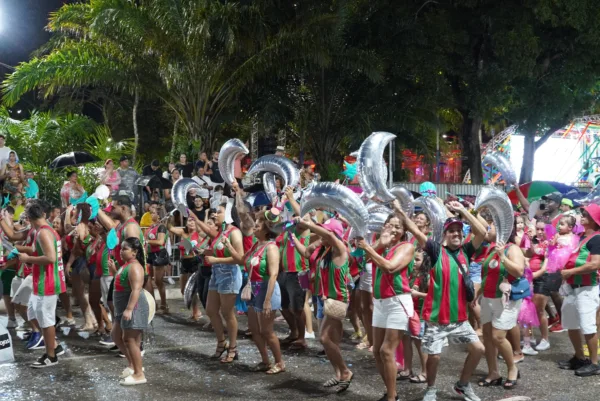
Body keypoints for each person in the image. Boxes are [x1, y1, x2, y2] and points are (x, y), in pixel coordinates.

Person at [399, 201, 486, 401]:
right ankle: (431, 389)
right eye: (452, 231)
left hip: (459, 318)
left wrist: (465, 211)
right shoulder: (436, 250)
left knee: (478, 349)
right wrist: (400, 211)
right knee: (434, 356)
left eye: (459, 231)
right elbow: (416, 231)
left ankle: (462, 385)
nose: (456, 234)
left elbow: (481, 232)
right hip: (436, 318)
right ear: (445, 234)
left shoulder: (466, 252)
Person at [357, 201, 415, 401]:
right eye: (390, 225)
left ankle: (392, 398)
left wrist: (369, 248)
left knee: (386, 350)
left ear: (404, 231)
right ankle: (391, 391)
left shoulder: (406, 246)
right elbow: (362, 260)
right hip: (380, 302)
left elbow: (390, 268)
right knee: (377, 352)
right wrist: (377, 245)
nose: (393, 230)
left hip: (397, 302)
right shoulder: (380, 247)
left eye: (398, 227)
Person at [227, 209, 285, 374]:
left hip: (267, 290)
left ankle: (280, 362)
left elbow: (273, 274)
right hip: (253, 290)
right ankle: (265, 361)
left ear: (266, 229)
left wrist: (267, 300)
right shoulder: (256, 245)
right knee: (254, 329)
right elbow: (241, 260)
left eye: (258, 225)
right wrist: (228, 245)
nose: (254, 227)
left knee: (267, 331)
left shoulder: (271, 248)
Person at [19, 201, 66, 368]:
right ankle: (54, 345)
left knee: (46, 320)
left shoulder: (44, 233)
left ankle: (51, 356)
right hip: (42, 281)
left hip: (48, 282)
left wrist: (28, 259)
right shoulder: (44, 231)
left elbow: (51, 258)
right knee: (33, 313)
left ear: (30, 218)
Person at [477, 224, 526, 389]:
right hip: (488, 297)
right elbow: (487, 274)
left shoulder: (512, 249)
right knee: (488, 337)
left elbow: (519, 271)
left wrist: (502, 257)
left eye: (491, 227)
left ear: (503, 230)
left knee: (498, 336)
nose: (488, 230)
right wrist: (477, 295)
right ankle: (493, 372)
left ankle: (512, 367)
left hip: (506, 300)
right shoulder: (491, 248)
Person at [559, 204, 600, 376]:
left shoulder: (597, 239)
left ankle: (594, 363)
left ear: (594, 219)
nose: (581, 215)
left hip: (587, 288)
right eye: (582, 213)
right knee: (570, 323)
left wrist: (571, 271)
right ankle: (579, 357)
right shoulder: (581, 236)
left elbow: (596, 264)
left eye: (585, 214)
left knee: (587, 326)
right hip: (572, 287)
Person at [200, 202, 243, 363]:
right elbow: (218, 249)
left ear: (229, 215)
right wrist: (206, 252)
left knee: (227, 313)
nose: (214, 214)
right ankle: (221, 342)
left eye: (219, 212)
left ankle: (233, 347)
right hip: (216, 273)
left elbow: (240, 257)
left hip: (229, 274)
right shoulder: (220, 232)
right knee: (211, 310)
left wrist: (215, 258)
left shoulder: (234, 232)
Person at [112, 237, 149, 385]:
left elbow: (136, 290)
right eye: (121, 248)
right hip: (122, 309)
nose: (121, 252)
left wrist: (129, 309)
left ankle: (139, 374)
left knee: (131, 340)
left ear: (134, 252)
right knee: (116, 335)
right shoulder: (126, 265)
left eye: (125, 249)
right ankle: (133, 366)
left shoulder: (135, 267)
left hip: (134, 308)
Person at [277, 186, 309, 350]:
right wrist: (280, 204)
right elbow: (272, 222)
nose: (294, 217)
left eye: (295, 215)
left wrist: (290, 198)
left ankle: (302, 338)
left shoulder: (302, 229)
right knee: (283, 306)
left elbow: (305, 216)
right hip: (284, 273)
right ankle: (294, 332)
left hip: (298, 272)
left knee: (297, 308)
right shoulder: (286, 230)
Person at [168, 215, 202, 321]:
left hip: (194, 261)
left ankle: (196, 311)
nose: (191, 223)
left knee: (193, 289)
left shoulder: (199, 234)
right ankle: (195, 310)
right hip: (184, 261)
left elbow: (202, 248)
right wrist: (169, 218)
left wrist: (195, 248)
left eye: (193, 221)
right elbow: (170, 228)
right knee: (184, 289)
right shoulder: (183, 232)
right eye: (189, 221)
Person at [145, 204, 169, 313]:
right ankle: (153, 304)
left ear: (159, 216)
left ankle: (164, 304)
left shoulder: (161, 227)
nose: (151, 215)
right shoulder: (151, 227)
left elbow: (160, 241)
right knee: (148, 280)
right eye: (151, 213)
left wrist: (147, 241)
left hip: (159, 253)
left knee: (159, 281)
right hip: (150, 254)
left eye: (153, 213)